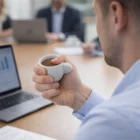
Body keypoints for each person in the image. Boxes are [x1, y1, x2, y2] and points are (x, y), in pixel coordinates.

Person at [33, 0, 140, 139]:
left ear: (116, 15)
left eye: (96, 14)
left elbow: (118, 122)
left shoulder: (114, 124)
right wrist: (80, 96)